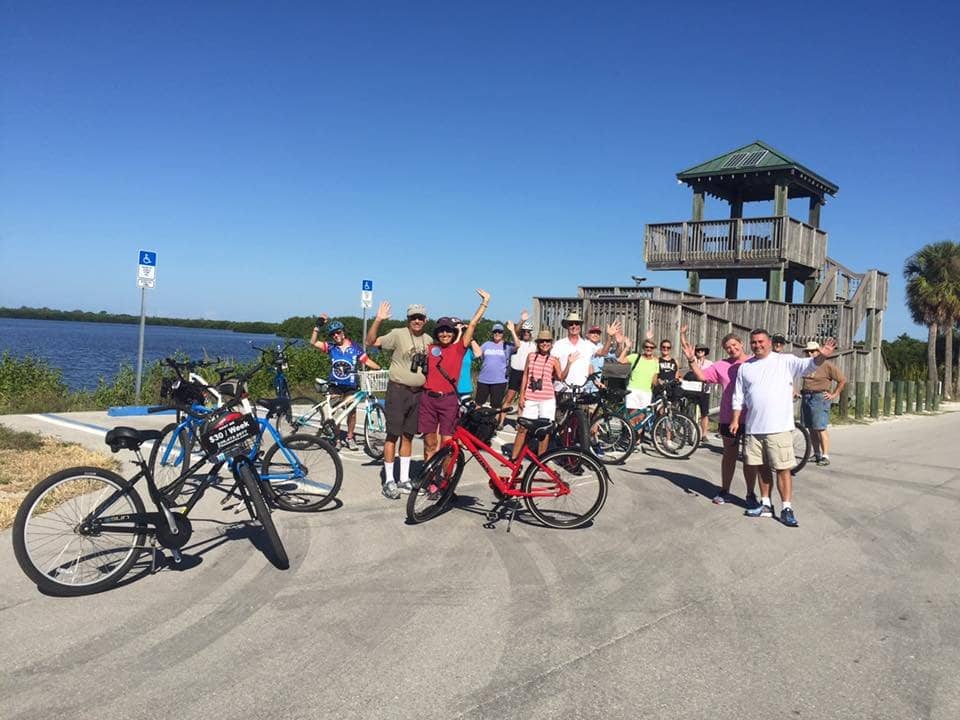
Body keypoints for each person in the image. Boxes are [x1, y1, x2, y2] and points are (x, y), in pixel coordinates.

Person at [730, 329, 837, 527]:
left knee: (782, 469)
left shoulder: (785, 361)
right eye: (754, 342)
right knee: (761, 468)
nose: (757, 345)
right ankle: (766, 504)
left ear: (769, 343)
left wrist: (822, 355)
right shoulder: (745, 367)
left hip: (779, 428)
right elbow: (739, 396)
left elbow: (809, 365)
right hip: (754, 428)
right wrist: (736, 420)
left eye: (761, 341)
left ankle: (786, 507)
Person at [365, 301, 433, 499]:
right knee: (392, 435)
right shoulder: (397, 334)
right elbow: (370, 342)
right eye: (413, 317)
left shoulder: (429, 340)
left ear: (425, 320)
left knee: (408, 435)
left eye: (420, 317)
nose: (417, 321)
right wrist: (378, 320)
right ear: (408, 319)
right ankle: (389, 481)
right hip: (398, 390)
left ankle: (403, 479)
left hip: (417, 393)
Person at [681, 327, 755, 506]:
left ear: (741, 344)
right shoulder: (721, 365)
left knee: (750, 458)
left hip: (753, 417)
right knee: (729, 455)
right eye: (728, 347)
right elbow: (702, 376)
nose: (732, 349)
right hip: (729, 417)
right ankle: (725, 490)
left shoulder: (755, 362)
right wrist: (691, 359)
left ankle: (751, 494)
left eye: (734, 345)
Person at [419, 290, 490, 463]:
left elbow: (472, 325)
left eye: (448, 331)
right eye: (441, 331)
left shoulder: (459, 349)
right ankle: (427, 481)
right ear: (437, 333)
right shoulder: (429, 348)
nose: (445, 334)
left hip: (449, 401)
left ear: (453, 333)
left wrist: (485, 302)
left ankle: (444, 484)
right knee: (429, 443)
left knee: (447, 444)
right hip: (428, 399)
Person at [309, 314, 381, 450]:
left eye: (338, 332)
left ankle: (349, 437)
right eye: (333, 334)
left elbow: (366, 360)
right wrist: (317, 326)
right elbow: (313, 342)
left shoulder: (355, 347)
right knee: (336, 415)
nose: (336, 335)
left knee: (351, 412)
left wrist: (380, 368)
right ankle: (336, 439)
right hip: (335, 386)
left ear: (343, 332)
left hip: (351, 386)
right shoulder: (331, 347)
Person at [513, 330, 564, 459]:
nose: (545, 344)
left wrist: (568, 363)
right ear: (538, 343)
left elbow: (560, 377)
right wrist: (522, 395)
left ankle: (541, 460)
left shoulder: (553, 360)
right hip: (531, 396)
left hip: (547, 399)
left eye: (547, 341)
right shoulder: (531, 356)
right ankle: (514, 458)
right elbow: (525, 375)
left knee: (544, 430)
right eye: (542, 341)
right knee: (523, 428)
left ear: (551, 344)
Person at [800, 341, 846, 466]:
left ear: (819, 351)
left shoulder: (827, 365)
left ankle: (825, 455)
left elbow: (842, 380)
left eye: (813, 351)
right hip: (806, 396)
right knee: (810, 428)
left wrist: (834, 394)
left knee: (820, 427)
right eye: (808, 351)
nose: (810, 353)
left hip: (819, 396)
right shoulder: (806, 365)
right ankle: (816, 454)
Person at [471, 322, 512, 427]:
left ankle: (492, 425)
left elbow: (518, 345)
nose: (497, 333)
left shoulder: (507, 345)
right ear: (492, 333)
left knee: (496, 406)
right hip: (484, 379)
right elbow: (478, 354)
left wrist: (512, 330)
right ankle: (476, 423)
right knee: (479, 403)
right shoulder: (486, 344)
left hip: (499, 381)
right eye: (495, 332)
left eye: (500, 332)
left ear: (503, 333)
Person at [619, 332, 659, 426]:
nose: (648, 349)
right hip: (633, 390)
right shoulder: (635, 357)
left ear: (654, 349)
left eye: (651, 347)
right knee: (632, 416)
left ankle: (638, 439)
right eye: (646, 347)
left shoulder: (655, 361)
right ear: (643, 348)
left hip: (646, 392)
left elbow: (654, 380)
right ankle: (633, 438)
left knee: (642, 418)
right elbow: (620, 361)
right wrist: (627, 348)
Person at [503, 311, 535, 416]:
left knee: (523, 399)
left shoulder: (534, 346)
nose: (526, 333)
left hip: (526, 373)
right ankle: (500, 422)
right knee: (509, 397)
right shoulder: (517, 342)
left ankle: (519, 423)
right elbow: (515, 331)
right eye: (524, 331)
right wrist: (522, 320)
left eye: (528, 331)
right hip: (515, 372)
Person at [685, 343, 714, 442]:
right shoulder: (693, 361)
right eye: (698, 350)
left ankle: (704, 434)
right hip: (693, 390)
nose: (700, 352)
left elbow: (712, 375)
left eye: (702, 350)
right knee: (690, 412)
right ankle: (689, 432)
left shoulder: (710, 363)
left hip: (705, 390)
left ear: (705, 352)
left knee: (704, 413)